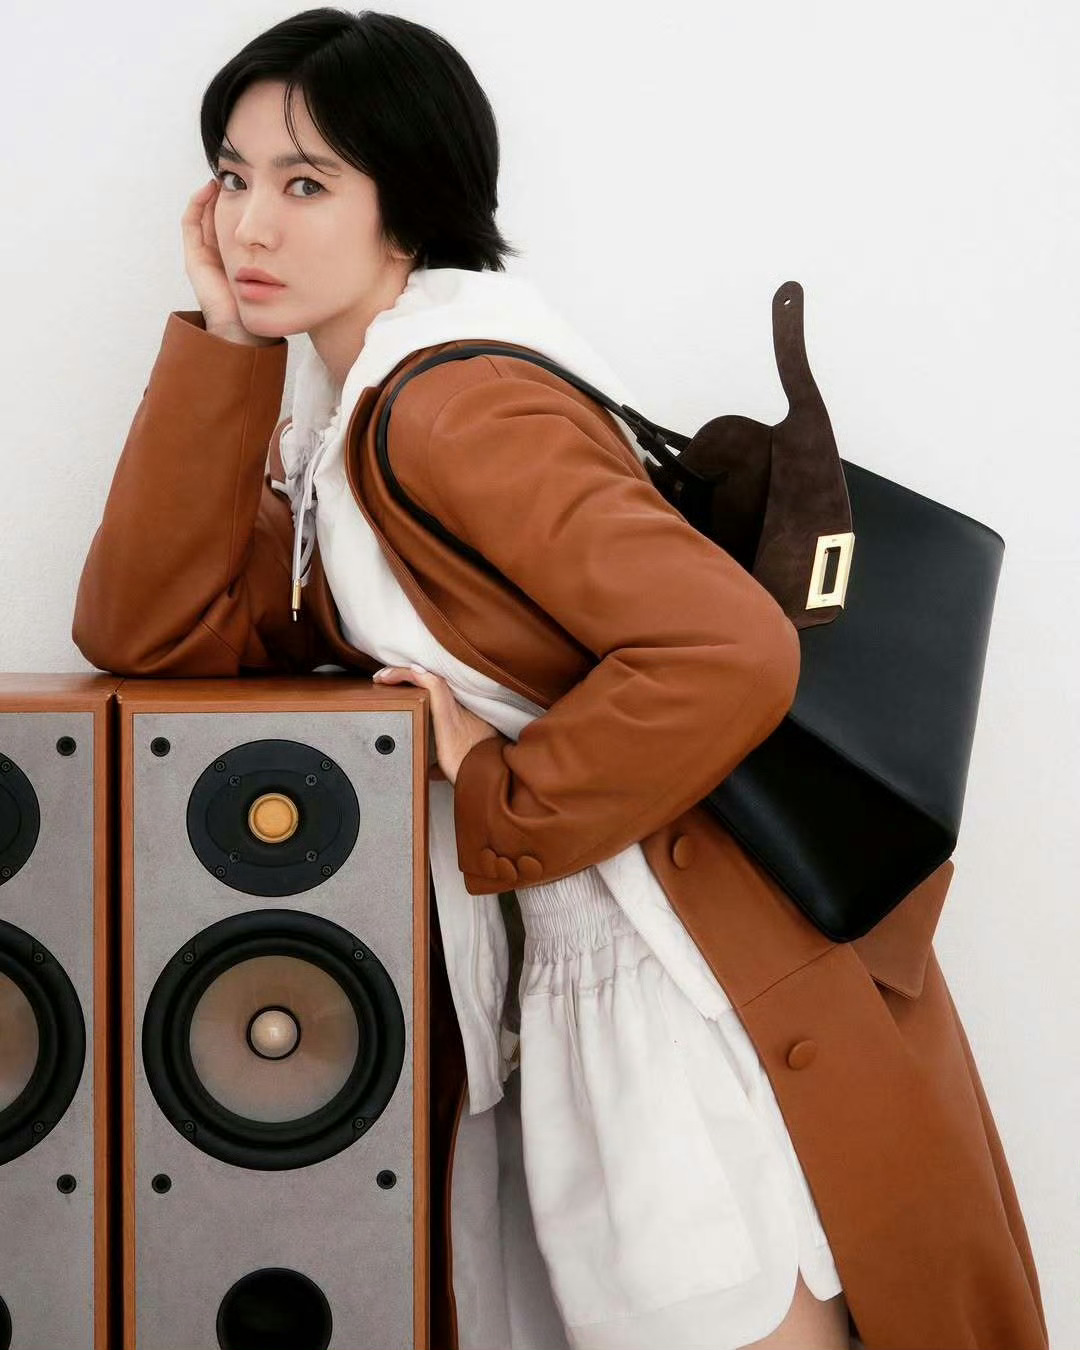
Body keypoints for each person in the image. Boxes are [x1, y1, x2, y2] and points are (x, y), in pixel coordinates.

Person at [71, 10, 1048, 1350]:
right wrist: (225, 343)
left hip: (680, 1006)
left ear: (409, 206)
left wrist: (495, 786)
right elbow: (149, 631)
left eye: (306, 184)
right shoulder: (353, 421)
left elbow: (727, 649)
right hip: (604, 990)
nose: (249, 225)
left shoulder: (452, 411)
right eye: (233, 177)